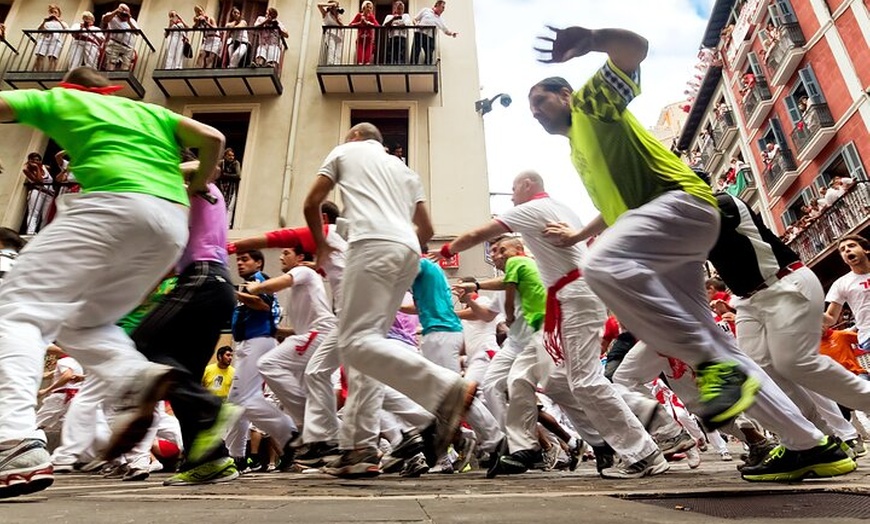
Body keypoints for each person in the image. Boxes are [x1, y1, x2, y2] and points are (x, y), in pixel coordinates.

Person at [0, 65, 225, 499]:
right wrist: (199, 182)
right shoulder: (148, 112)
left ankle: (12, 443)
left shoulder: (61, 99)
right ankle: (133, 377)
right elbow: (213, 138)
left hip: (110, 206)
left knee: (18, 312)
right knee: (82, 323)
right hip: (167, 225)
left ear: (72, 85)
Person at [528, 25, 760, 430]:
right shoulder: (578, 150)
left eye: (539, 100)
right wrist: (578, 236)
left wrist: (593, 40)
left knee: (599, 265)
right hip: (664, 225)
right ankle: (807, 443)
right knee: (712, 337)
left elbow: (636, 50)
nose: (534, 112)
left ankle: (713, 362)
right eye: (530, 109)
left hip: (679, 203)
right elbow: (613, 210)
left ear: (564, 94)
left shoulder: (588, 106)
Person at [437, 171, 668, 479]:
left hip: (574, 298)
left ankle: (645, 449)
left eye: (514, 189)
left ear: (528, 186)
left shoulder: (529, 212)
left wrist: (446, 250)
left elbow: (479, 233)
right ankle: (548, 446)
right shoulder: (561, 209)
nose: (511, 195)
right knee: (547, 381)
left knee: (584, 381)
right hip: (567, 302)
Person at [303, 122, 474, 477]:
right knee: (369, 347)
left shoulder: (345, 151)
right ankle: (359, 449)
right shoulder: (405, 169)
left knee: (353, 342)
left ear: (354, 136)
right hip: (408, 251)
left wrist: (321, 243)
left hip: (370, 245)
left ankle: (445, 389)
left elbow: (312, 202)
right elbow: (426, 230)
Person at [825, 236, 870, 351]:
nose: (847, 250)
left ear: (866, 250)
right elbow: (831, 317)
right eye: (843, 249)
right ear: (844, 259)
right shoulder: (841, 284)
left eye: (852, 246)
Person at [412, 0, 457, 65]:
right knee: (415, 51)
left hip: (430, 37)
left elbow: (446, 30)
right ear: (437, 5)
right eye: (443, 7)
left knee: (429, 54)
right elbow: (414, 19)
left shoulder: (440, 19)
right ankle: (413, 65)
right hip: (419, 34)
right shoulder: (426, 10)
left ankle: (427, 67)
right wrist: (416, 24)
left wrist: (452, 33)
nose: (443, 10)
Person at [21, 151, 55, 235]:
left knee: (45, 216)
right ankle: (30, 232)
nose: (36, 161)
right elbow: (40, 181)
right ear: (30, 161)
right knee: (34, 213)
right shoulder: (27, 170)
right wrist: (36, 168)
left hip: (49, 194)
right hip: (37, 192)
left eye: (38, 160)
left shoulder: (46, 167)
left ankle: (43, 233)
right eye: (34, 160)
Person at [101, 4, 139, 71]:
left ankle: (122, 80)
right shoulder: (112, 16)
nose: (124, 14)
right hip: (115, 44)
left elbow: (137, 32)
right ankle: (109, 77)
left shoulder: (132, 20)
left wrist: (129, 21)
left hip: (128, 47)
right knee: (111, 63)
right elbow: (105, 20)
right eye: (123, 12)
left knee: (126, 66)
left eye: (127, 12)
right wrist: (116, 12)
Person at [34, 4, 68, 72]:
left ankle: (50, 73)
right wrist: (44, 21)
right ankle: (38, 73)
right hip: (44, 39)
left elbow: (66, 30)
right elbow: (39, 30)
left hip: (55, 40)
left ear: (59, 14)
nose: (53, 14)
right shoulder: (47, 22)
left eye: (55, 12)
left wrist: (58, 20)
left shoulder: (62, 22)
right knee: (39, 56)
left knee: (52, 57)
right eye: (52, 12)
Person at [349, 1, 379, 65]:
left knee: (368, 55)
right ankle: (360, 62)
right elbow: (351, 24)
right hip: (361, 37)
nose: (369, 9)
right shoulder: (359, 15)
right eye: (367, 7)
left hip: (369, 38)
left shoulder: (371, 16)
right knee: (360, 53)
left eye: (371, 8)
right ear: (363, 7)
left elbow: (377, 25)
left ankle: (367, 62)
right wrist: (359, 23)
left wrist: (368, 23)